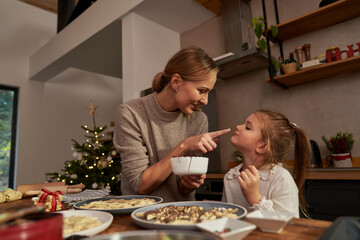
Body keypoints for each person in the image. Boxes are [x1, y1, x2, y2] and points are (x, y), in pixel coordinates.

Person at [113, 46, 230, 202]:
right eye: (202, 91)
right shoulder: (131, 113)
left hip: (183, 213)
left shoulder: (199, 120)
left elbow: (181, 188)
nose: (206, 101)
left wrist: (188, 183)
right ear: (176, 82)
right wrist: (184, 146)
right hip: (140, 213)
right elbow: (140, 185)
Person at [222, 109, 311, 218]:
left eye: (248, 127)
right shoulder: (230, 177)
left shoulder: (281, 178)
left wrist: (255, 198)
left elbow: (289, 225)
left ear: (262, 147)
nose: (238, 126)